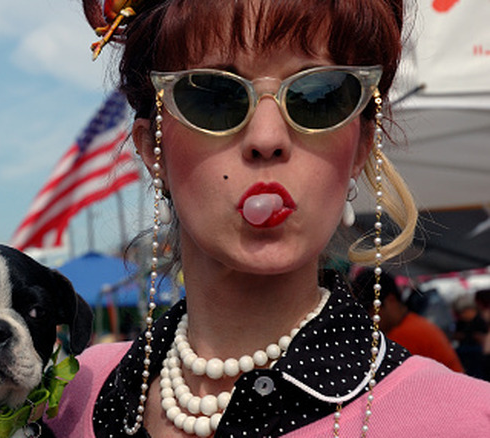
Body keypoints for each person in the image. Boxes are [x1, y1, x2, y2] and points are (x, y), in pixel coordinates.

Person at [45, 1, 490, 436]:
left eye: (319, 96)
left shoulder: (467, 420)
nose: (267, 137)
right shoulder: (68, 400)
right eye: (214, 97)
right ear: (150, 147)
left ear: (360, 145)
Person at [351, 269, 464, 373]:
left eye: (369, 311)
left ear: (391, 301)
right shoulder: (413, 324)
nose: (367, 320)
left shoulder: (404, 335)